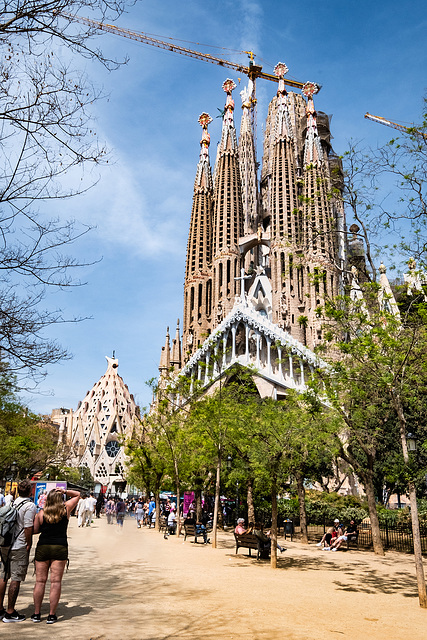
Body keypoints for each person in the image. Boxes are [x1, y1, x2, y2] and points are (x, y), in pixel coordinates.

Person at [32, 487, 80, 624]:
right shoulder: (65, 510)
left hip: (43, 547)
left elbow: (35, 530)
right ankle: (52, 615)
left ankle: (36, 613)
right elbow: (78, 495)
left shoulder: (41, 513)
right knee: (56, 582)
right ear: (60, 499)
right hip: (60, 547)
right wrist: (64, 491)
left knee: (40, 582)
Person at [0, 479, 37, 623]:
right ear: (30, 491)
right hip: (18, 545)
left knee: (3, 575)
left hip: (5, 544)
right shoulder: (30, 506)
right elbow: (28, 527)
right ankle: (10, 612)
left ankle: (0, 609)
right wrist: (29, 544)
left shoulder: (12, 503)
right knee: (16, 578)